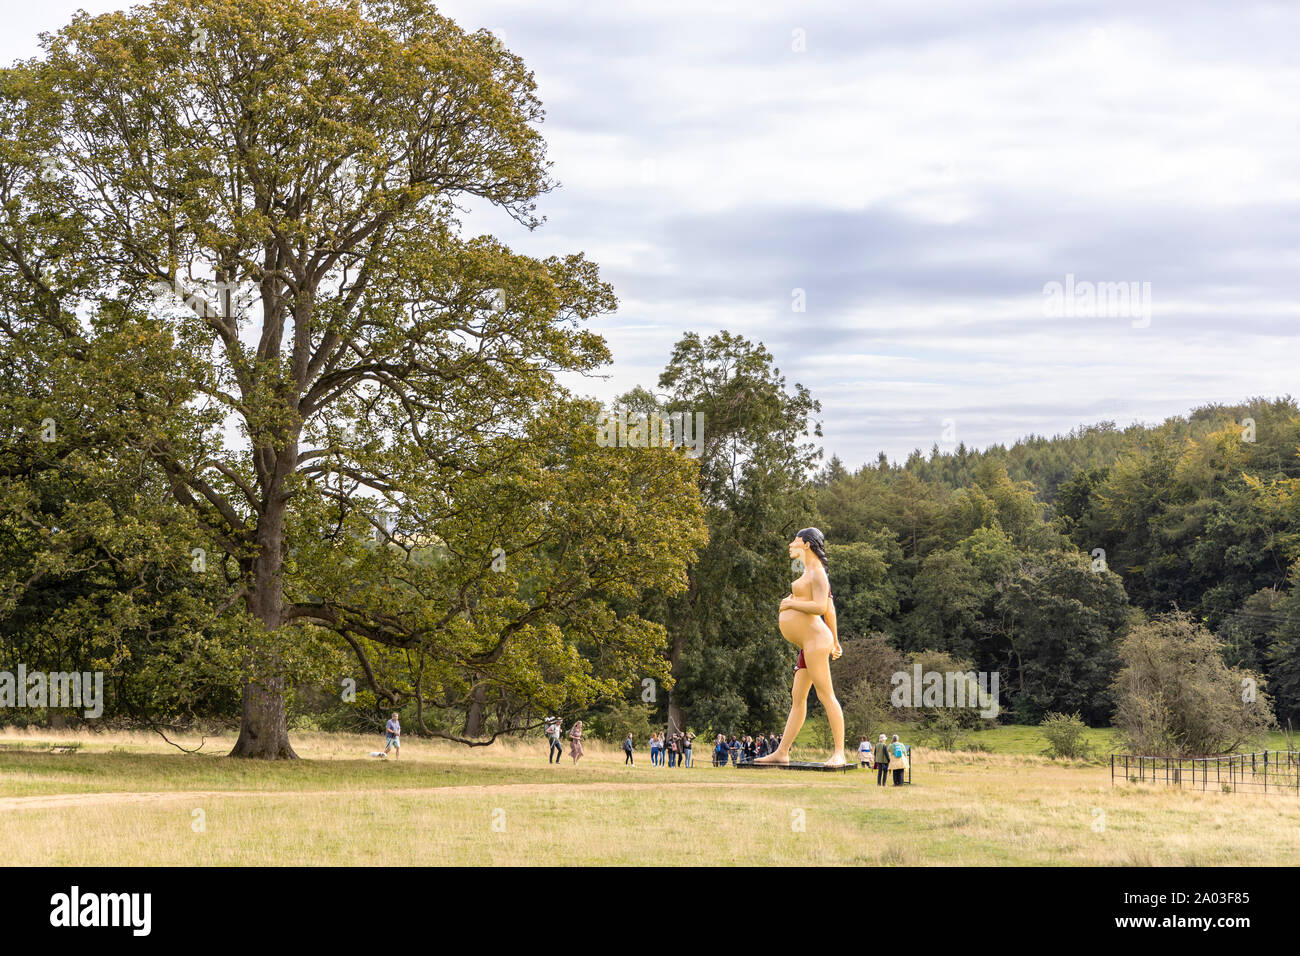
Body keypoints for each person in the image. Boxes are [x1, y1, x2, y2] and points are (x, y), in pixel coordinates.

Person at [756, 528, 846, 767]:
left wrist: (792, 602)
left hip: (815, 641)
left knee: (826, 695)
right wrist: (836, 640)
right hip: (808, 643)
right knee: (798, 697)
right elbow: (830, 609)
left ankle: (839, 752)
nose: (791, 544)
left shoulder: (818, 573)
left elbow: (819, 607)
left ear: (806, 544)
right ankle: (782, 752)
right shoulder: (810, 571)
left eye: (795, 540)